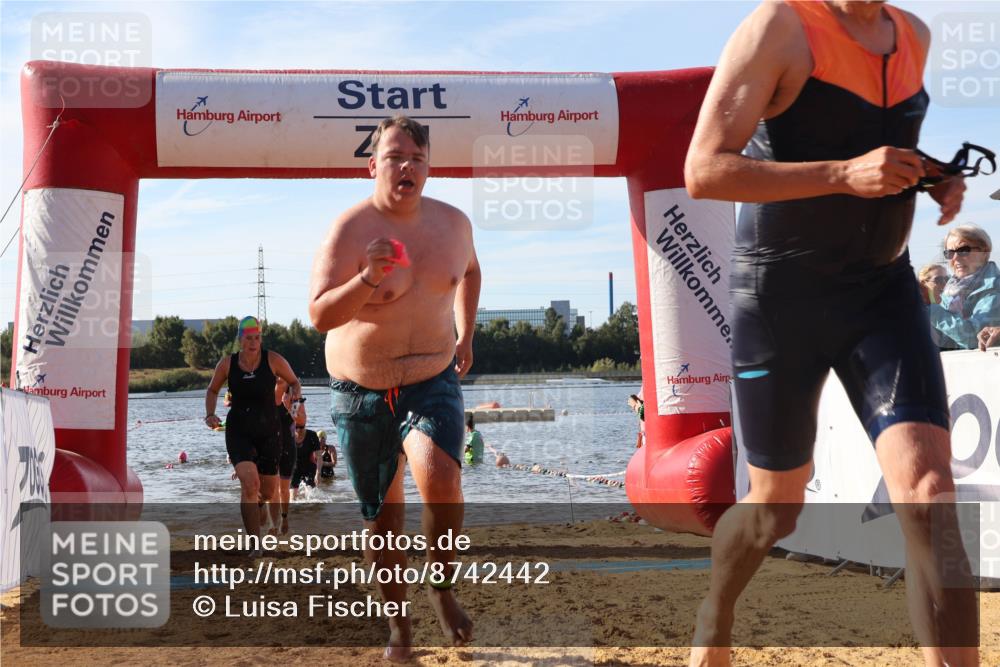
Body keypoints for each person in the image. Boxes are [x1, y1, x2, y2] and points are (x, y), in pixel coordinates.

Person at [683, 2, 976, 666]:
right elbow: (704, 169)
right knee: (774, 509)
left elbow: (866, 142)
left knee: (930, 494)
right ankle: (715, 610)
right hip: (781, 295)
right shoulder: (778, 28)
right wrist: (845, 176)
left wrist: (930, 172)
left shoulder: (913, 35)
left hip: (881, 291)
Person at [309, 114, 480, 661]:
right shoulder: (350, 229)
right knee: (382, 522)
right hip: (360, 390)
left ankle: (442, 588)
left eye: (417, 158)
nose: (407, 166)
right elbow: (317, 314)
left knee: (441, 478)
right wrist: (366, 279)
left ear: (430, 167)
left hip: (432, 378)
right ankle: (399, 629)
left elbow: (471, 273)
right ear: (373, 164)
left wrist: (467, 334)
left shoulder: (453, 225)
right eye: (395, 156)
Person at [204, 316, 301, 552]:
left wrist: (294, 400)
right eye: (249, 338)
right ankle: (254, 543)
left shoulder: (273, 360)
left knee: (267, 492)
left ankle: (256, 509)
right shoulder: (228, 364)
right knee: (250, 484)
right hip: (239, 431)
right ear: (241, 340)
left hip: (269, 431)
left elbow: (294, 382)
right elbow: (213, 389)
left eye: (257, 338)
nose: (254, 343)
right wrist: (210, 414)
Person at [928, 225, 1000, 349]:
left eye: (963, 250)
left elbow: (974, 338)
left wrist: (929, 309)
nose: (955, 258)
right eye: (949, 253)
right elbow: (946, 341)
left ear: (984, 252)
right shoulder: (951, 291)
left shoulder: (995, 289)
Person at [272, 378, 306, 534]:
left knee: (283, 489)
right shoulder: (266, 395)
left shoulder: (294, 398)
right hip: (268, 446)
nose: (279, 379)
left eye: (282, 377)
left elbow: (301, 421)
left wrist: (288, 407)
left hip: (287, 446)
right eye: (277, 376)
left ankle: (284, 518)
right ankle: (273, 522)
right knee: (270, 488)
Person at [917, 263, 957, 350]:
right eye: (938, 279)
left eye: (947, 279)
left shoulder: (954, 307)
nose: (944, 283)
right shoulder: (918, 312)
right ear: (924, 283)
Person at [291, 424, 321, 497]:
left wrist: (318, 473)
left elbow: (319, 457)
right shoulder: (288, 435)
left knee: (310, 495)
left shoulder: (312, 435)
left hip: (309, 467)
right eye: (296, 427)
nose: (298, 430)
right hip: (294, 468)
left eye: (301, 427)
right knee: (292, 496)